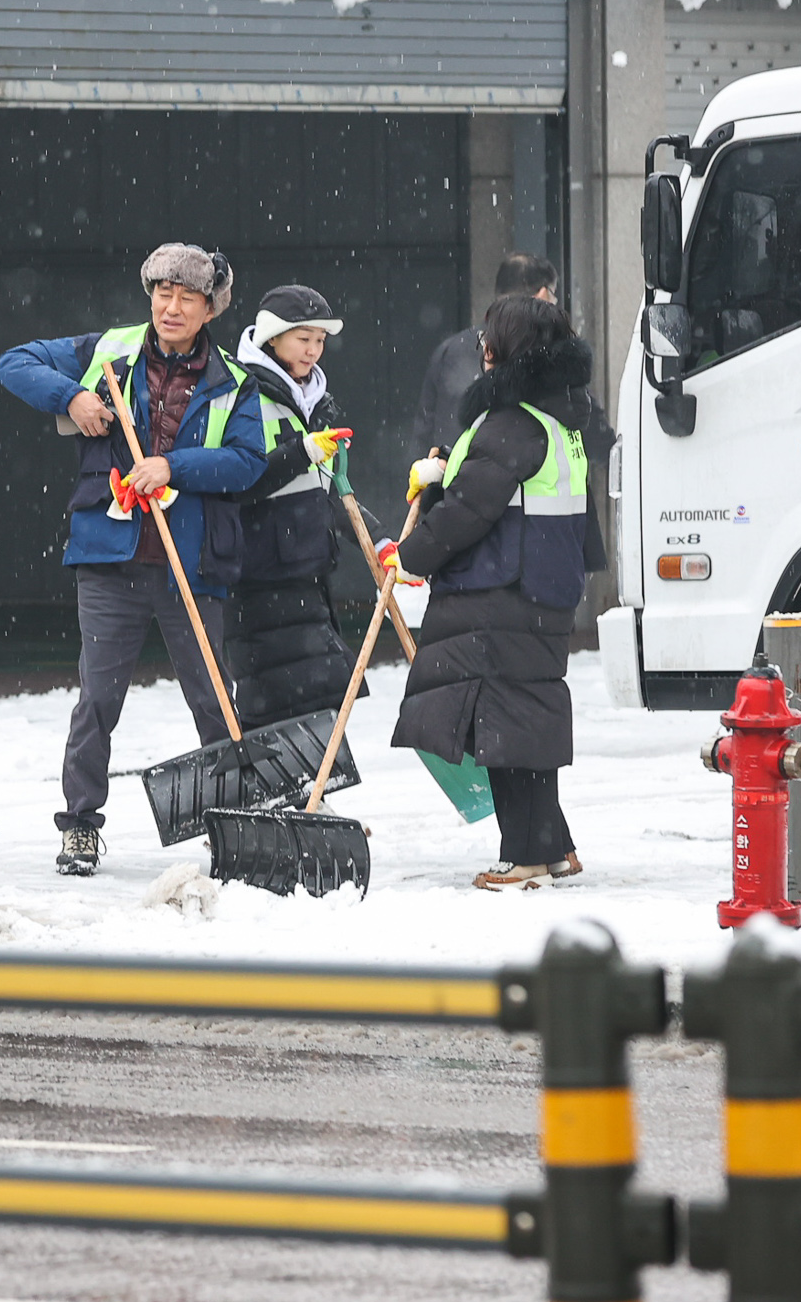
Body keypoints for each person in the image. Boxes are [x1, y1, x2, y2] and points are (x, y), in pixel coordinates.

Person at [0, 243, 266, 877]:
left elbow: (249, 462)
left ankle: (232, 823)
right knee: (98, 699)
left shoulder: (233, 380)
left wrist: (174, 466)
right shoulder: (107, 351)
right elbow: (14, 363)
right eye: (163, 293)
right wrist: (72, 398)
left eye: (187, 298)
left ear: (209, 310)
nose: (171, 307)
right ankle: (81, 826)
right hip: (110, 559)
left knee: (212, 699)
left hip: (191, 564)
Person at [386, 294, 607, 889]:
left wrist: (410, 555)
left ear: (503, 352)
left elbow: (469, 510)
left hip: (502, 588)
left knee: (508, 725)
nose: (481, 348)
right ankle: (553, 848)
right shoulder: (564, 416)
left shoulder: (512, 422)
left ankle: (526, 857)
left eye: (490, 339)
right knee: (529, 717)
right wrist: (441, 475)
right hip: (545, 589)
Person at [226, 284, 359, 728]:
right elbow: (236, 483)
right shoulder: (237, 392)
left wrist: (376, 540)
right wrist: (300, 452)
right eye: (304, 339)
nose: (314, 351)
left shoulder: (317, 400)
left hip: (310, 568)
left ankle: (310, 791)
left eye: (320, 341)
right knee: (274, 699)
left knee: (324, 690)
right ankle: (281, 792)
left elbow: (332, 490)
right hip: (259, 573)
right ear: (273, 337)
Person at [410, 252, 557, 460]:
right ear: (542, 295)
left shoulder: (450, 350)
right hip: (514, 487)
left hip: (450, 481)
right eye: (554, 295)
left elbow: (423, 432)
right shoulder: (546, 355)